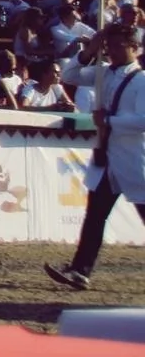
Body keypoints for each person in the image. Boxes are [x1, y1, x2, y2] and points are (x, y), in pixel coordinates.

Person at [45, 22, 145, 291]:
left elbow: (143, 120)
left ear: (135, 48)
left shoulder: (142, 81)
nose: (112, 50)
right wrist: (89, 49)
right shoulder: (104, 74)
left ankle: (80, 269)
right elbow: (70, 75)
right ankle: (80, 269)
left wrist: (109, 121)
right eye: (109, 45)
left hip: (136, 161)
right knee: (95, 216)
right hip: (108, 160)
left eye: (118, 45)